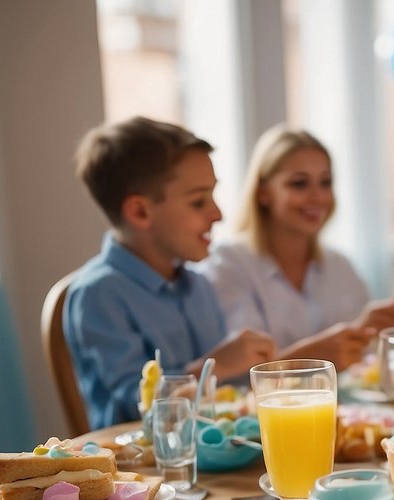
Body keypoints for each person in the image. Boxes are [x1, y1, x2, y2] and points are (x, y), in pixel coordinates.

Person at [65, 117, 275, 430]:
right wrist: (212, 368)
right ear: (140, 212)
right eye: (198, 201)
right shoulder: (98, 295)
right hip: (144, 469)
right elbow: (135, 406)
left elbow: (225, 397)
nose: (218, 213)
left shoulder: (198, 284)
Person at [203, 125, 394, 369]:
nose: (318, 197)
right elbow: (235, 378)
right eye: (299, 184)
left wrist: (372, 329)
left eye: (325, 183)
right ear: (263, 193)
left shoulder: (340, 266)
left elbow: (368, 360)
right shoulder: (229, 264)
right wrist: (319, 356)